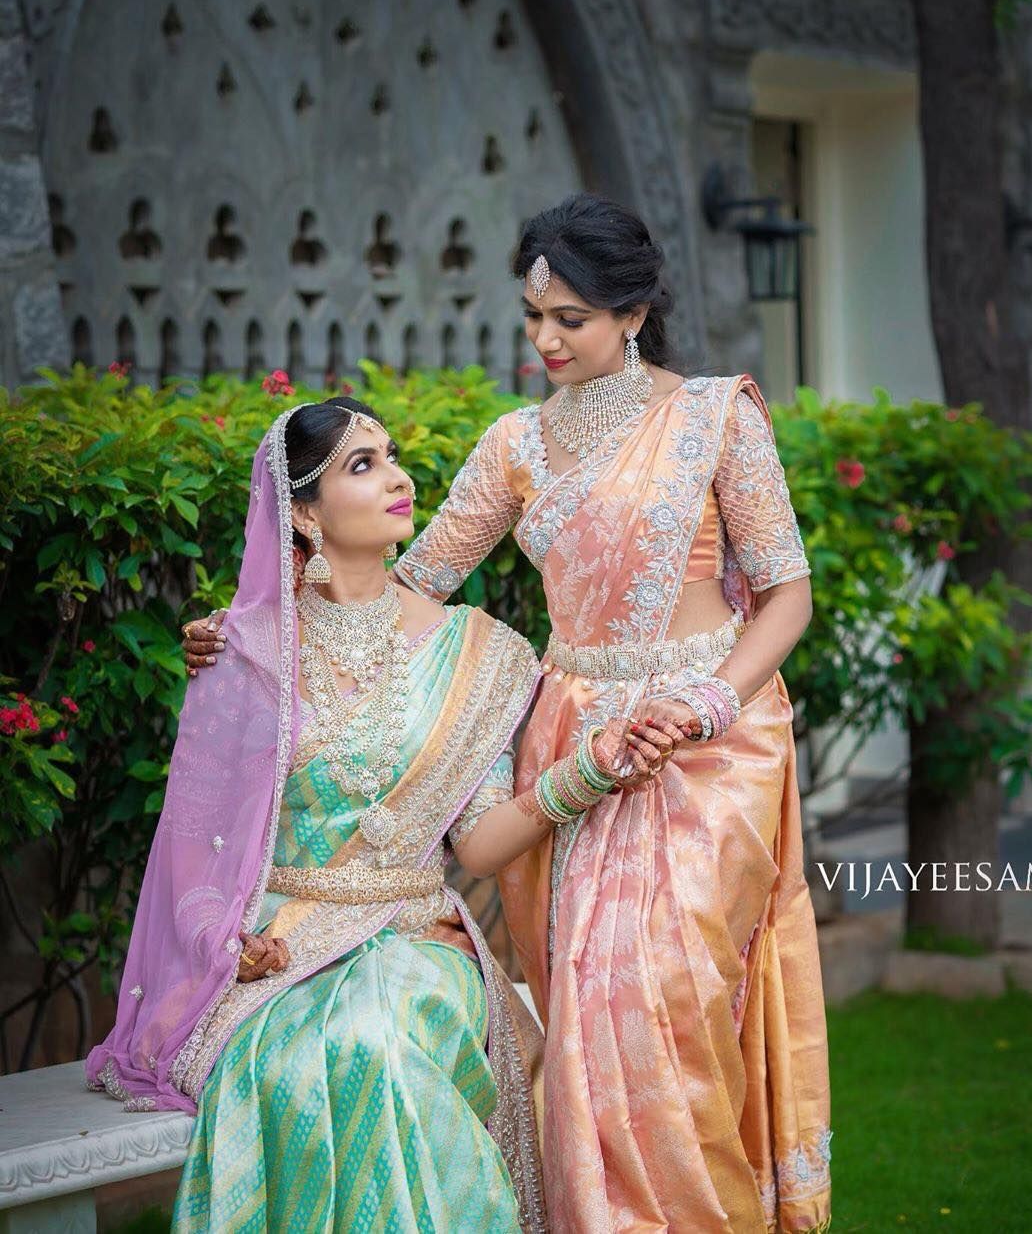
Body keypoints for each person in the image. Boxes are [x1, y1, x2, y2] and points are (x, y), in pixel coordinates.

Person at [184, 191, 833, 1233]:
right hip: (568, 744)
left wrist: (709, 701)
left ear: (633, 310)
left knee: (672, 997)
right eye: (533, 313)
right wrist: (254, 625)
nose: (544, 338)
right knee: (581, 1020)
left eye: (569, 316)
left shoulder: (720, 415)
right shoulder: (516, 443)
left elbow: (787, 590)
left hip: (714, 738)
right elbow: (413, 579)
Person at [92, 394, 677, 1233]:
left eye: (392, 455)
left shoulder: (480, 652)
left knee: (376, 1041)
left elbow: (477, 843)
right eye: (361, 466)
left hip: (414, 936)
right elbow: (193, 850)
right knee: (290, 1067)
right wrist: (229, 937)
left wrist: (589, 769)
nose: (398, 477)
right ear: (302, 511)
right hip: (282, 949)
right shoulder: (243, 651)